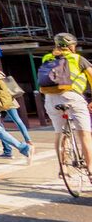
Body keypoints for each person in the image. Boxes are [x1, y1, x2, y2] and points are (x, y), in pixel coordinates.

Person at [40, 32, 92, 174]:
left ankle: (62, 167)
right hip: (72, 97)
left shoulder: (47, 58)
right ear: (70, 46)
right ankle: (91, 168)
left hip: (50, 98)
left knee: (59, 132)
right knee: (84, 133)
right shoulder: (77, 58)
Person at [0, 54, 31, 155]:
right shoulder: (1, 73)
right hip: (9, 100)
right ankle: (28, 140)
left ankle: (3, 147)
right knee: (16, 120)